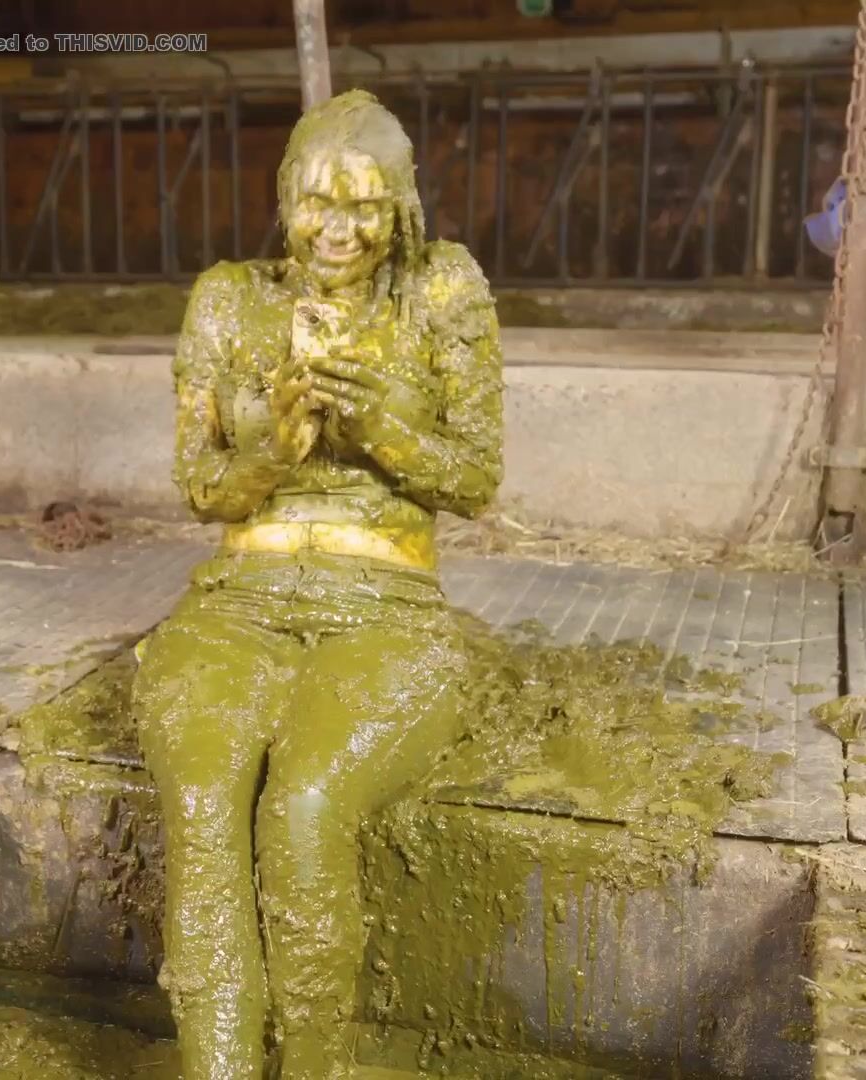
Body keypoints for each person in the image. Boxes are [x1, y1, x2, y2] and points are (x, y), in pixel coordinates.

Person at [130, 88, 504, 1080]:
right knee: (201, 798)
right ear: (284, 196)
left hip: (387, 610)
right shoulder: (228, 299)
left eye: (365, 208)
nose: (338, 230)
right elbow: (203, 488)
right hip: (236, 605)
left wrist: (386, 430)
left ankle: (314, 1068)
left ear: (402, 208)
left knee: (304, 805)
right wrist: (269, 450)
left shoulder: (440, 291)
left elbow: (475, 479)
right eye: (317, 204)